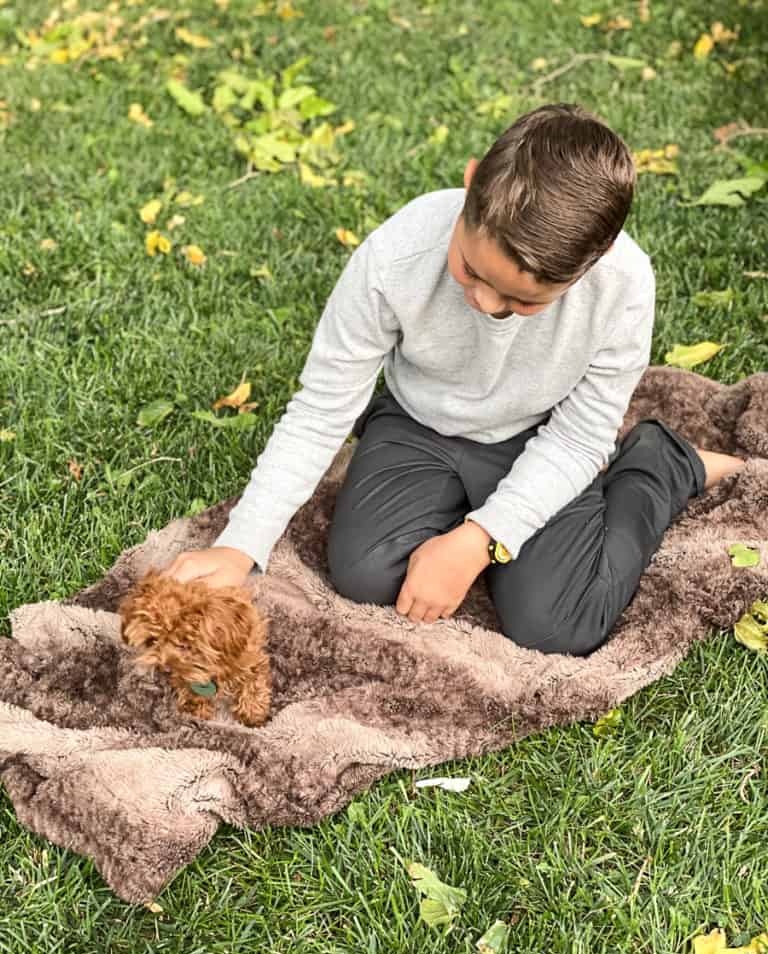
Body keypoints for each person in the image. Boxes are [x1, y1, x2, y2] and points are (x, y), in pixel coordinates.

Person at [160, 103, 745, 656]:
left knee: (557, 624)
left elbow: (577, 437)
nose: (486, 304)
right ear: (470, 184)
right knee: (364, 573)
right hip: (420, 421)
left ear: (595, 261)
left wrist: (478, 541)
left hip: (540, 435)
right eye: (470, 269)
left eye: (521, 301)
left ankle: (660, 463)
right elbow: (321, 410)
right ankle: (466, 505)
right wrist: (241, 544)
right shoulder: (395, 256)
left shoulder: (623, 285)